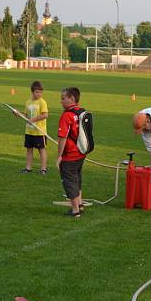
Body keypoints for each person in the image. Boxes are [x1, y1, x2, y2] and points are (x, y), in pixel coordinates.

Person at [57, 87, 86, 218]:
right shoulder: (82, 112)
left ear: (72, 99)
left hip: (70, 155)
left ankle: (75, 210)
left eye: (63, 98)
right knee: (77, 179)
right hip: (81, 153)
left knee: (70, 181)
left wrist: (59, 156)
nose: (61, 102)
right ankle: (80, 204)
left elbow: (62, 137)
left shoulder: (66, 115)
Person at [15, 80, 49, 174]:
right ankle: (28, 168)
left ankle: (43, 169)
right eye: (37, 92)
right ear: (32, 91)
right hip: (29, 131)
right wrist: (18, 114)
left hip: (39, 131)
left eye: (41, 92)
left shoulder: (42, 102)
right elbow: (26, 116)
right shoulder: (28, 102)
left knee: (41, 150)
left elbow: (45, 115)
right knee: (29, 150)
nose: (39, 94)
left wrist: (33, 120)